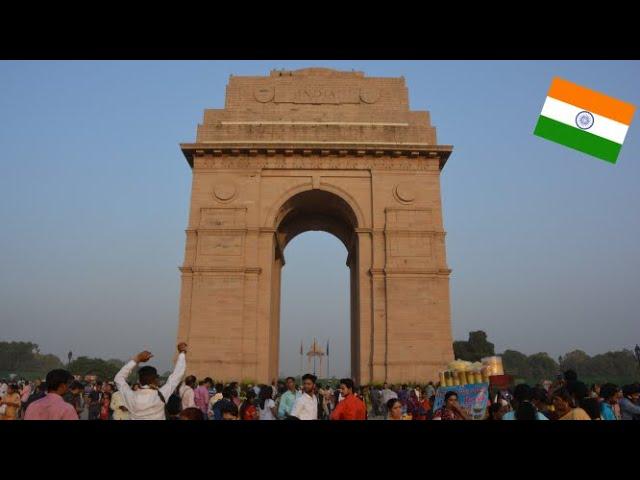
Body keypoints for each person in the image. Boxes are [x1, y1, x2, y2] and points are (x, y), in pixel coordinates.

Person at [113, 342, 187, 420]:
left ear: (139, 380)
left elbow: (118, 378)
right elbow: (177, 375)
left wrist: (137, 359)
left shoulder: (131, 396)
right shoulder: (160, 395)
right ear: (155, 380)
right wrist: (182, 353)